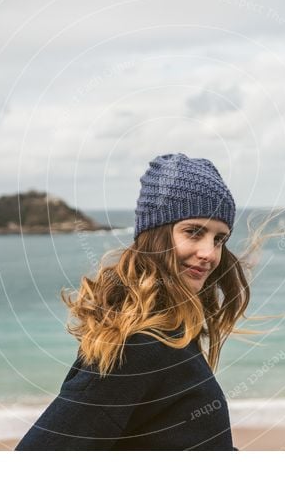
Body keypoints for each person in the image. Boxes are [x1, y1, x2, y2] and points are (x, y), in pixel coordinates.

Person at [15, 152, 254, 450]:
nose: (209, 253)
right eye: (194, 231)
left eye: (219, 239)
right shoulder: (140, 346)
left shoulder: (173, 332)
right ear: (156, 235)